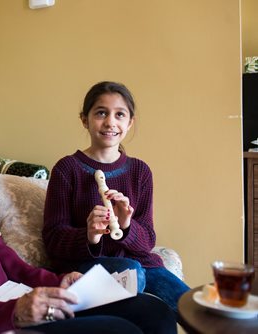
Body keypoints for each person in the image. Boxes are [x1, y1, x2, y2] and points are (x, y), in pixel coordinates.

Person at [0, 144, 177, 334]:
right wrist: (12, 312)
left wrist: (53, 280)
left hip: (12, 294)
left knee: (155, 312)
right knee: (121, 331)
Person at [42, 81, 190, 316]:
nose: (110, 122)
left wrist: (126, 225)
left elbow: (148, 240)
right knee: (132, 273)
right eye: (101, 113)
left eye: (119, 114)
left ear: (129, 123)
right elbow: (52, 238)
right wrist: (89, 235)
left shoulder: (140, 171)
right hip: (85, 265)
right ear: (85, 119)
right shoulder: (66, 169)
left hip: (140, 264)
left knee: (191, 304)